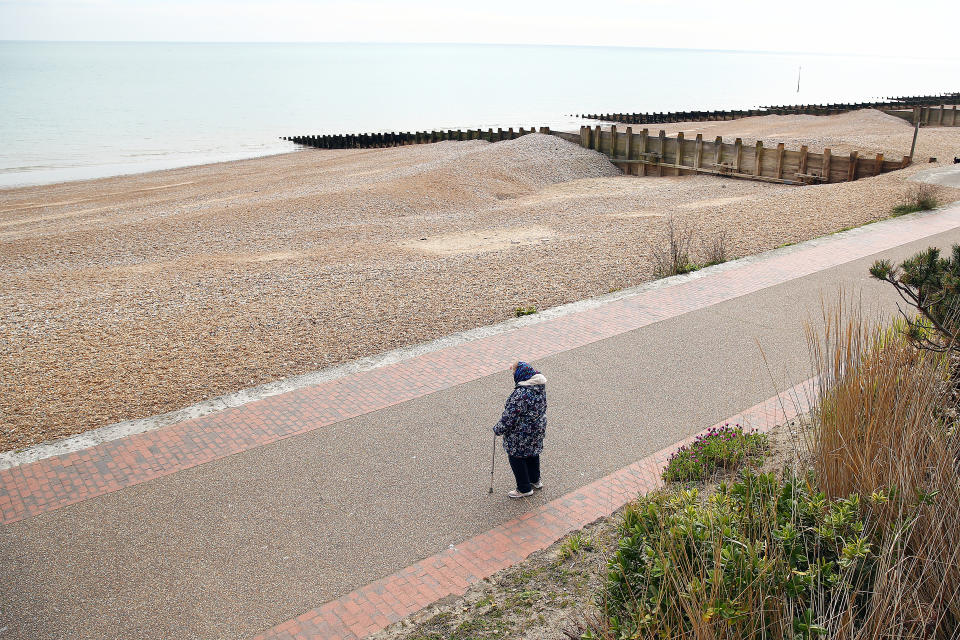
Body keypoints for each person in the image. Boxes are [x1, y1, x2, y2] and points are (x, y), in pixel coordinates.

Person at [493, 361, 547, 498]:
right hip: (537, 428)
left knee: (516, 456)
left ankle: (524, 488)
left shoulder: (521, 394)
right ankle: (535, 480)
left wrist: (498, 429)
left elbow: (509, 416)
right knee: (532, 453)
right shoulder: (539, 387)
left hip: (521, 433)